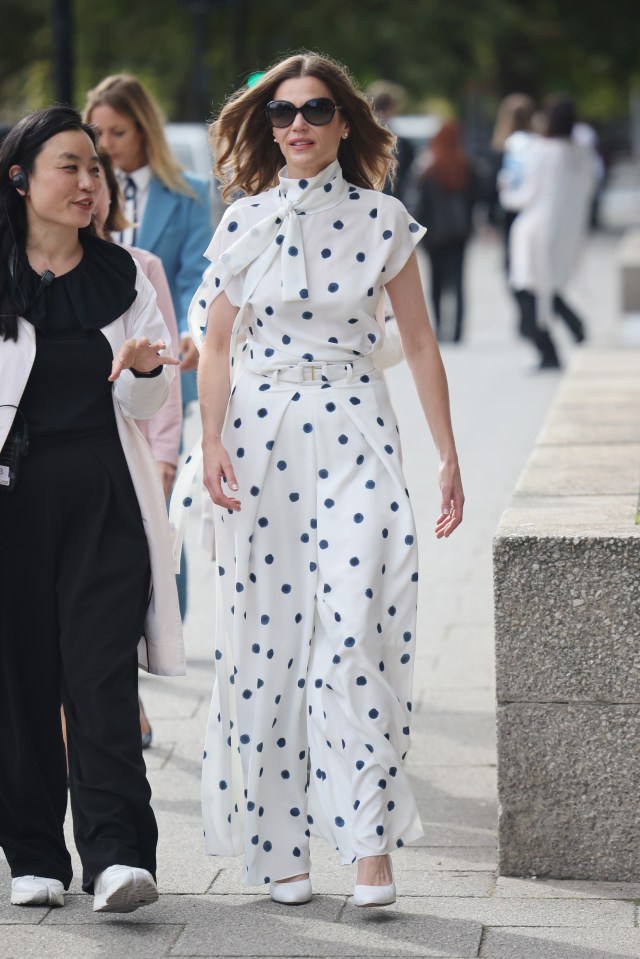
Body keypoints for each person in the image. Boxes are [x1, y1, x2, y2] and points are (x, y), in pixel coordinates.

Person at [186, 51, 464, 907]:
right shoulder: (242, 221)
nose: (296, 124)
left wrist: (449, 453)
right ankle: (279, 849)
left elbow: (419, 343)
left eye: (314, 109)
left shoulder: (384, 218)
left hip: (355, 432)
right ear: (266, 128)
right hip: (261, 441)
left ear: (345, 121)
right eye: (280, 112)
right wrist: (210, 443)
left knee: (355, 635)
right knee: (267, 648)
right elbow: (220, 343)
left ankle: (369, 845)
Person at [0, 106, 184, 912]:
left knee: (100, 677)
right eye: (69, 166)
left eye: (94, 169)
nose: (88, 181)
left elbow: (152, 396)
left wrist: (143, 370)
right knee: (21, 681)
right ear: (20, 179)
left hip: (107, 504)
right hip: (13, 507)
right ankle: (34, 854)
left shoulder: (126, 275)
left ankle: (117, 855)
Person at [84, 73, 213, 617]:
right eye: (98, 132)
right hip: (96, 349)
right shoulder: (80, 190)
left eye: (117, 132)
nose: (107, 144)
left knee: (161, 485)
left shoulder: (188, 194)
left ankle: (165, 614)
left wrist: (190, 331)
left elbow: (191, 277)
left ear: (143, 130)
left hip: (162, 353)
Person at [508, 94, 596, 369]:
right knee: (547, 288)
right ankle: (572, 328)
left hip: (535, 232)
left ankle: (549, 350)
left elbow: (527, 195)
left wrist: (505, 194)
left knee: (528, 290)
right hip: (566, 235)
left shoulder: (544, 150)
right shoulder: (581, 154)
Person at [414, 120, 476, 342]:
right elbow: (475, 198)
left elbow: (420, 203)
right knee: (458, 282)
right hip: (460, 233)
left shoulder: (428, 168)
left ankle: (440, 328)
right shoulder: (466, 166)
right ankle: (458, 331)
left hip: (434, 235)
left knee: (436, 283)